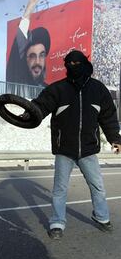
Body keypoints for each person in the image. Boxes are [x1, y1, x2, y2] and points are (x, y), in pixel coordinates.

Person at [22, 50, 121, 240]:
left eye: (77, 63)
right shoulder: (58, 89)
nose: (73, 66)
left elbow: (108, 118)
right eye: (70, 63)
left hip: (88, 149)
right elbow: (40, 106)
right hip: (64, 149)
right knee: (60, 189)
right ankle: (57, 223)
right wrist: (28, 114)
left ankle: (102, 217)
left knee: (97, 186)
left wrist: (116, 140)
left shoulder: (98, 90)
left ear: (85, 64)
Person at [6, 0, 50, 87]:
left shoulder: (48, 91)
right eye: (32, 56)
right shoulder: (18, 84)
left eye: (42, 55)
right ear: (24, 59)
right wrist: (32, 3)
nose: (37, 62)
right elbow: (21, 33)